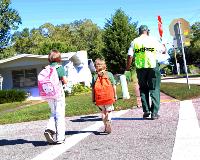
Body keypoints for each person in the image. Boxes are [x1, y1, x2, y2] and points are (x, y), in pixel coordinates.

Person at [126, 25, 165, 120]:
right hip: (152, 67)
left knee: (143, 89)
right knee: (154, 89)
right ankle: (154, 113)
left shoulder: (134, 41)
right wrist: (163, 45)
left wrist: (127, 68)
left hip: (140, 68)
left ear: (139, 32)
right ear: (147, 31)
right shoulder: (153, 40)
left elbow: (130, 56)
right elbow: (163, 51)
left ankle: (146, 111)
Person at [44, 49, 68, 144]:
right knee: (60, 115)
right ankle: (60, 138)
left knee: (53, 113)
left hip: (49, 94)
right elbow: (65, 81)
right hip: (58, 94)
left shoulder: (46, 68)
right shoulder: (59, 68)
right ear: (58, 58)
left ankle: (49, 129)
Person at [92, 58, 117, 133]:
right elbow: (114, 86)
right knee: (109, 111)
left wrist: (93, 98)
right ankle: (108, 120)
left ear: (95, 67)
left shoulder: (94, 77)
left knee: (103, 112)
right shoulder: (109, 74)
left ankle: (106, 126)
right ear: (104, 65)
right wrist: (115, 95)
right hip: (109, 96)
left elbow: (93, 89)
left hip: (99, 98)